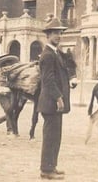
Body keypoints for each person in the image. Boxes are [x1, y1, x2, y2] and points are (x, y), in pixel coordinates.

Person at [37, 18, 70, 180]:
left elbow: (59, 76)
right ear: (48, 35)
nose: (59, 36)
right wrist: (58, 97)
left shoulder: (55, 53)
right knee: (50, 137)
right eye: (56, 33)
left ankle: (52, 166)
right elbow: (48, 80)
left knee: (56, 137)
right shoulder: (47, 55)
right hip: (51, 103)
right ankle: (46, 170)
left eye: (60, 33)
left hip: (55, 104)